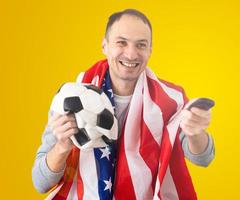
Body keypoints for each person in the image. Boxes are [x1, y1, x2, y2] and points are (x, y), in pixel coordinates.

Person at [32, 9, 215, 200]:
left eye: (141, 45)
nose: (131, 54)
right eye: (121, 42)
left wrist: (195, 132)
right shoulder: (69, 99)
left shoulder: (171, 100)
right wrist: (62, 146)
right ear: (105, 45)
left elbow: (203, 158)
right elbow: (40, 182)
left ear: (150, 51)